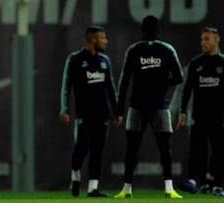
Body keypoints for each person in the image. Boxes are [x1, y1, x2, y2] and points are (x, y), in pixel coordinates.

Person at [114, 15, 183, 199]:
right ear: (158, 29)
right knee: (164, 148)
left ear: (142, 30)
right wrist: (162, 84)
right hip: (160, 106)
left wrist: (119, 110)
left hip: (137, 106)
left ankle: (126, 189)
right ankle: (169, 188)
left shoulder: (134, 50)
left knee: (132, 148)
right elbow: (178, 77)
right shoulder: (167, 50)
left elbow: (124, 81)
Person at [176, 27, 224, 197]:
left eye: (206, 39)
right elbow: (187, 89)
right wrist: (182, 111)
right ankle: (196, 181)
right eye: (201, 39)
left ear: (216, 41)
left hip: (220, 117)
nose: (203, 42)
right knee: (197, 151)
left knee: (218, 153)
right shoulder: (196, 64)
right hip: (199, 116)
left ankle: (217, 187)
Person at [59, 26, 117, 197]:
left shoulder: (104, 60)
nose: (106, 41)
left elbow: (111, 87)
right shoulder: (75, 59)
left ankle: (93, 188)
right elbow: (66, 86)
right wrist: (64, 109)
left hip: (103, 114)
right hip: (84, 114)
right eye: (103, 38)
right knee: (81, 149)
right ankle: (75, 177)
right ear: (92, 40)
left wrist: (117, 111)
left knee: (98, 150)